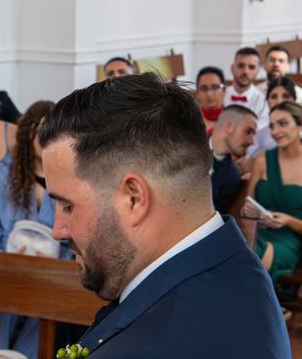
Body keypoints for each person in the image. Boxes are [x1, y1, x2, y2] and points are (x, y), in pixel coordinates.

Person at [38, 73, 289, 357]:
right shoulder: (240, 268)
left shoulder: (150, 347)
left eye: (67, 206)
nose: (58, 230)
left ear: (134, 198)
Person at [0, 100, 61, 359]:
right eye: (37, 130)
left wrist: (54, 267)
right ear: (27, 135)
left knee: (49, 313)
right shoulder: (0, 175)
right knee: (0, 313)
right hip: (7, 270)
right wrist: (7, 263)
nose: (42, 138)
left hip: (55, 277)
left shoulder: (72, 178)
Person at [244, 101, 302, 283]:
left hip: (290, 239)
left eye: (283, 123)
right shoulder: (262, 160)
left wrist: (289, 221)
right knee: (242, 254)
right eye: (272, 125)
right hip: (258, 233)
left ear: (299, 125)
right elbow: (247, 206)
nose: (275, 131)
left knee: (255, 261)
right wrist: (249, 212)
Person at [209, 106, 257, 212]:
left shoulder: (232, 176)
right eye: (248, 132)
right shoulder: (188, 144)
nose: (252, 141)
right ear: (229, 126)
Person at [249, 76, 297, 157]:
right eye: (274, 96)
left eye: (285, 96)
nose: (279, 101)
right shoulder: (259, 134)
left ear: (294, 101)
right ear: (267, 101)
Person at [224, 47, 269, 129]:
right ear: (232, 68)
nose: (245, 71)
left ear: (257, 71)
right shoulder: (220, 95)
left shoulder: (263, 100)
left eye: (251, 67)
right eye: (241, 66)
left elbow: (261, 129)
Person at [195, 66, 226, 134]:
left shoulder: (235, 122)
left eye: (215, 87)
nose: (209, 94)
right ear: (197, 93)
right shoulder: (190, 122)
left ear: (224, 90)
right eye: (203, 88)